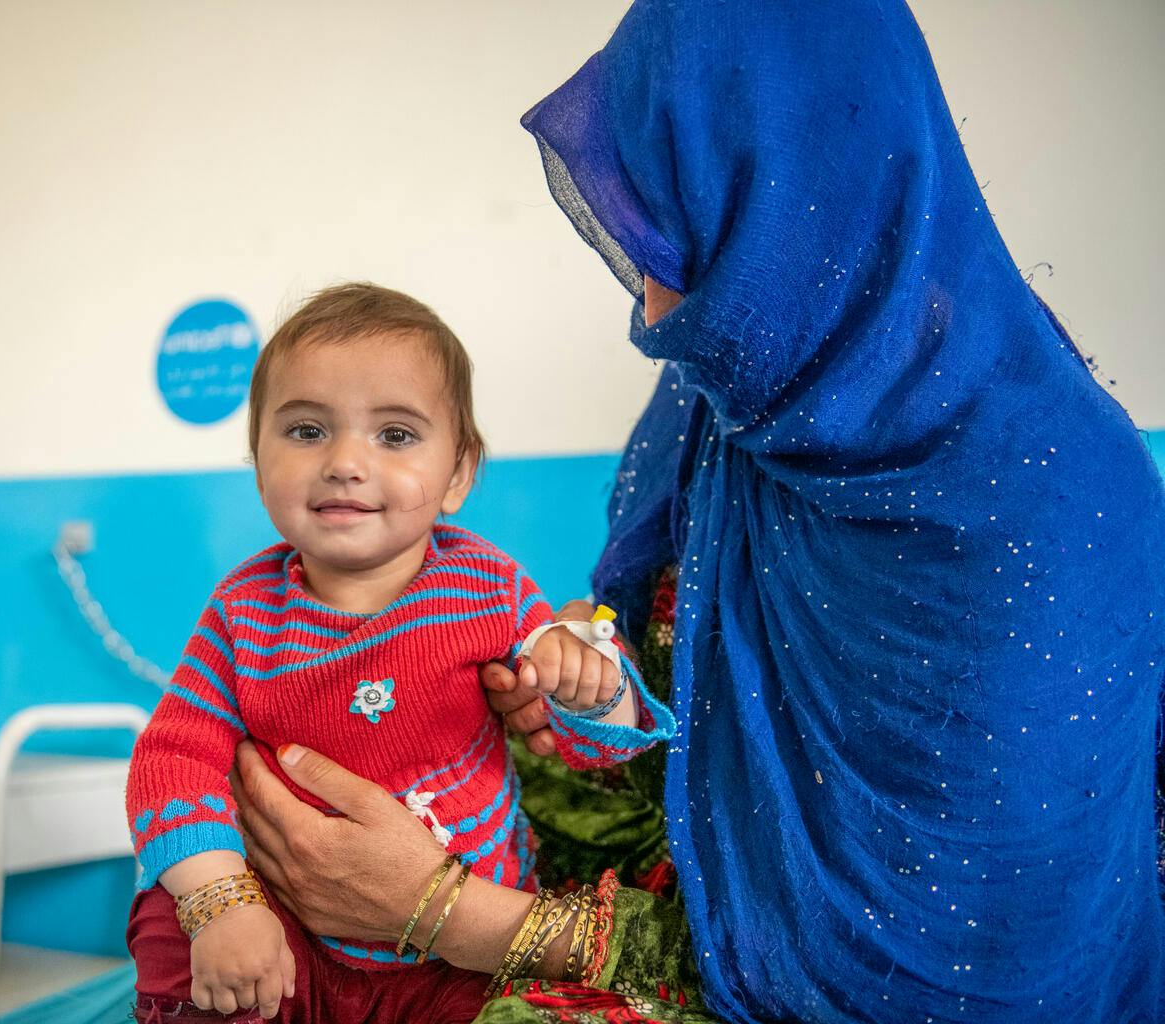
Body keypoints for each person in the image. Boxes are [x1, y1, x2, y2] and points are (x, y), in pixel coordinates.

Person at [228, 2, 1165, 1022]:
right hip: (675, 875)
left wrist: (441, 907)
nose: (653, 305)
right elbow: (649, 709)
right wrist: (577, 702)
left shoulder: (1042, 510)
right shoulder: (730, 409)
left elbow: (937, 978)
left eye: (689, 226)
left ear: (802, 199)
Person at [126, 282, 677, 1022]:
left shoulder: (488, 585)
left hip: (454, 963)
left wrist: (592, 687)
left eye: (395, 435)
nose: (346, 462)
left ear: (458, 474)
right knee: (168, 914)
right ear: (256, 461)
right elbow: (171, 757)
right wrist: (221, 902)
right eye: (306, 431)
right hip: (287, 943)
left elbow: (586, 741)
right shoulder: (241, 611)